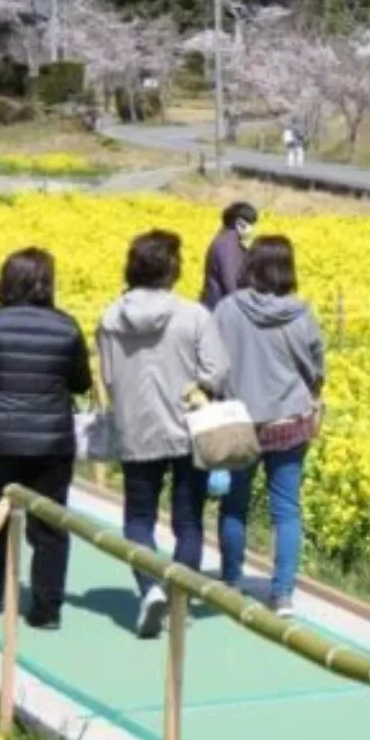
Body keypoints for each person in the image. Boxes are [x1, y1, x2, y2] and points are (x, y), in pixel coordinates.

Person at [98, 231, 229, 638]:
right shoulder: (194, 316)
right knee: (188, 522)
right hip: (190, 427)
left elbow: (107, 376)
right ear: (173, 267)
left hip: (136, 429)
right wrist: (196, 387)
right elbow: (218, 371)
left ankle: (149, 588)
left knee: (138, 518)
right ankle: (178, 598)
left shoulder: (109, 317)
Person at [213, 237, 325, 617]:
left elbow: (211, 363)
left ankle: (230, 581)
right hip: (289, 423)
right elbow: (317, 366)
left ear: (251, 266)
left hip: (238, 422)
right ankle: (282, 595)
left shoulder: (227, 310)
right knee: (286, 512)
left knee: (234, 506)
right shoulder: (301, 313)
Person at [0, 250, 93, 630]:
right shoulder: (66, 327)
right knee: (49, 525)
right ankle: (47, 609)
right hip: (50, 442)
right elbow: (81, 382)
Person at [202, 202, 258, 311]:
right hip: (219, 308)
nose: (254, 229)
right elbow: (230, 281)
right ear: (240, 224)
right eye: (252, 224)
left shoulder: (229, 241)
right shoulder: (226, 245)